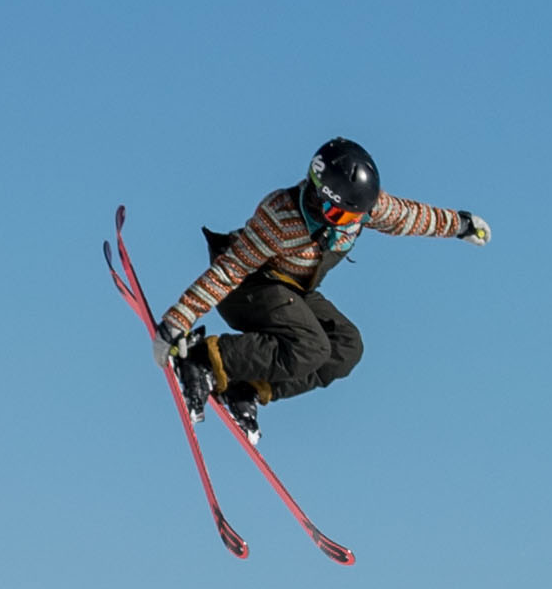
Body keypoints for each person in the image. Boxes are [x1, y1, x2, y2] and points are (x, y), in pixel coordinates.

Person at [154, 138, 489, 432]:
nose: (351, 224)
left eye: (356, 217)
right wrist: (177, 322)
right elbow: (229, 271)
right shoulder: (281, 215)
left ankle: (248, 386)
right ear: (320, 196)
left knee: (345, 347)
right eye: (342, 216)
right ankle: (202, 358)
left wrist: (460, 225)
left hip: (291, 290)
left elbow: (410, 217)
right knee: (310, 345)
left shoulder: (360, 209)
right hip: (249, 289)